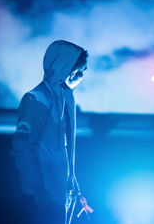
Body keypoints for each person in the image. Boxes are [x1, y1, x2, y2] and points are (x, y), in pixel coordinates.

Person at [11, 40, 93, 224]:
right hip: (44, 200)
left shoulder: (65, 101)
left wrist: (76, 191)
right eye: (80, 70)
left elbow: (64, 152)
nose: (82, 75)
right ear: (66, 68)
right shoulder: (35, 100)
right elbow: (23, 149)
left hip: (59, 198)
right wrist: (36, 193)